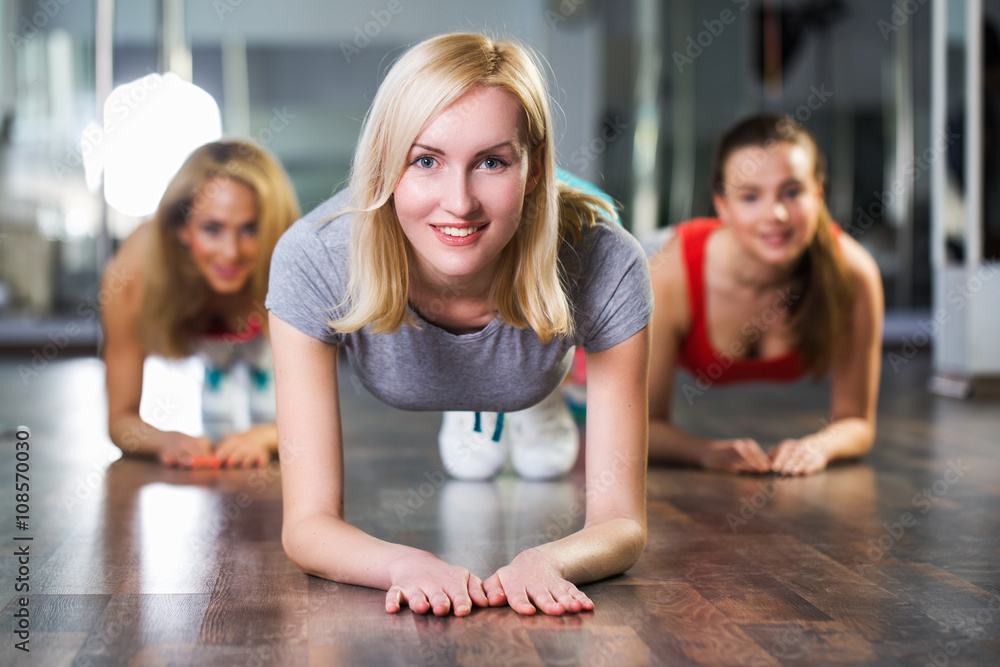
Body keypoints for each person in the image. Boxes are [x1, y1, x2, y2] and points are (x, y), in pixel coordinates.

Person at [266, 33, 651, 617]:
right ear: (384, 167)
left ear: (536, 167)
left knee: (534, 435)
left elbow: (622, 521)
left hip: (538, 358)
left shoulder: (606, 260)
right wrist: (401, 563)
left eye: (493, 162)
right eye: (425, 161)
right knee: (471, 454)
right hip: (432, 340)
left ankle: (522, 407)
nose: (460, 202)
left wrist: (549, 559)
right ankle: (479, 409)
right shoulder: (314, 256)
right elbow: (307, 525)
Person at [647, 113, 883, 476]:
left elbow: (858, 423)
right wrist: (705, 452)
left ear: (818, 195)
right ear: (722, 205)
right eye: (750, 196)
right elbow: (640, 427)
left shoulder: (854, 273)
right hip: (656, 252)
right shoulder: (666, 275)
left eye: (792, 192)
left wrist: (819, 446)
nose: (775, 214)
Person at [102, 140, 300, 468]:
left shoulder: (298, 266)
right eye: (212, 228)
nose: (231, 252)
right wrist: (165, 439)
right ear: (181, 228)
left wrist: (262, 437)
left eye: (250, 229)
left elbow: (318, 417)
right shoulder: (133, 272)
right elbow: (120, 421)